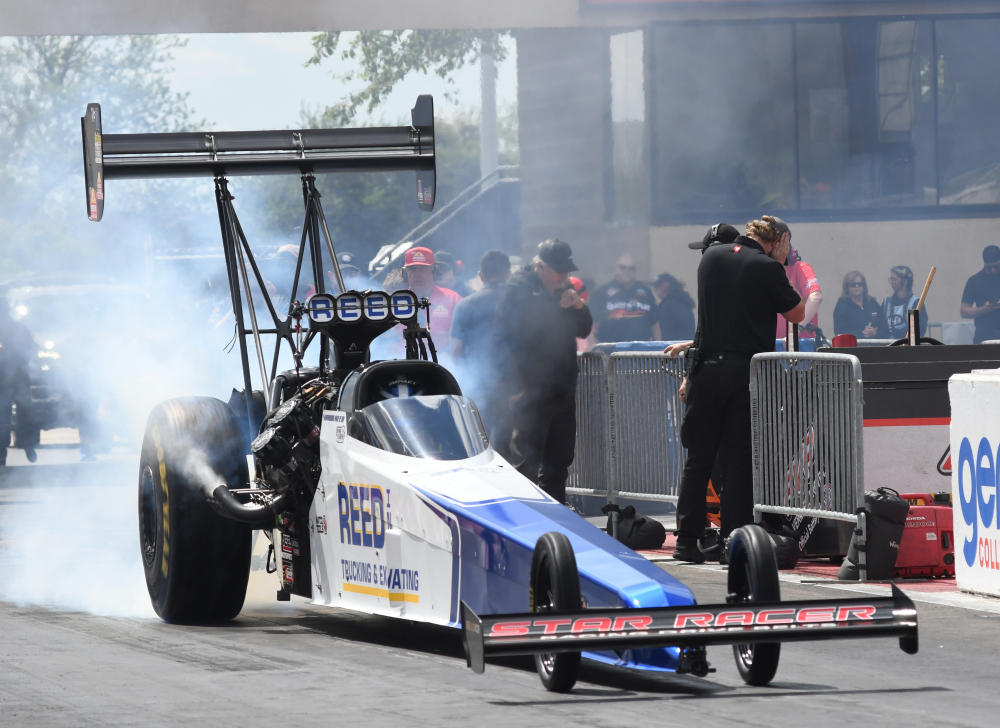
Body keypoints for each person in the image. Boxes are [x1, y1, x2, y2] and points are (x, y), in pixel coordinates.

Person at [668, 216, 805, 563]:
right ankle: (732, 541)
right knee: (738, 459)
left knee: (698, 459)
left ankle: (687, 540)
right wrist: (779, 264)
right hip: (742, 372)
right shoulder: (767, 266)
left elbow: (712, 319)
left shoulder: (711, 258)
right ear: (778, 241)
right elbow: (797, 313)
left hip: (704, 371)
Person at [492, 239, 592, 504]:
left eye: (567, 270)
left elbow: (584, 329)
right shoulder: (518, 290)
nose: (564, 275)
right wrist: (514, 388)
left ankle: (555, 516)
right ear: (540, 266)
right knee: (525, 461)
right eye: (558, 270)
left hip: (562, 390)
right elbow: (501, 341)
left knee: (559, 461)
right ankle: (524, 517)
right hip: (530, 392)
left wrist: (579, 306)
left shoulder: (565, 287)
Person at [451, 250, 512, 451]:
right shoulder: (523, 304)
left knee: (478, 445)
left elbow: (456, 352)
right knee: (509, 447)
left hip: (479, 386)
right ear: (508, 273)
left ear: (481, 275)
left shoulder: (465, 305)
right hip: (515, 386)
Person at [402, 247, 462, 355]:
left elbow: (467, 338)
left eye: (423, 268)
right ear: (405, 273)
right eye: (412, 269)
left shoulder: (453, 299)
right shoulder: (395, 304)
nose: (417, 274)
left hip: (443, 363)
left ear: (435, 271)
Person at [769, 219, 822, 340]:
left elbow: (815, 298)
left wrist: (796, 330)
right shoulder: (767, 272)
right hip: (772, 345)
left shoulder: (800, 267)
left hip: (801, 344)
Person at [0, 298, 38, 465]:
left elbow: (32, 349)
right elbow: (33, 348)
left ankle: (5, 452)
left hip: (10, 379)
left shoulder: (18, 328)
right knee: (23, 412)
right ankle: (27, 444)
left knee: (4, 415)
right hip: (15, 378)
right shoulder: (20, 328)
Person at [589, 254, 660, 343]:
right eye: (623, 268)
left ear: (635, 271)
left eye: (631, 268)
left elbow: (655, 323)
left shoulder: (645, 291)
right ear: (616, 269)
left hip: (641, 349)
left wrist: (658, 346)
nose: (627, 271)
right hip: (612, 349)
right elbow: (590, 322)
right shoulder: (603, 291)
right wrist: (595, 348)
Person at [960, 245, 1000, 344]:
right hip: (984, 335)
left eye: (996, 266)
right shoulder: (974, 281)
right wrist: (984, 309)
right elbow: (964, 311)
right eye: (989, 267)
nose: (993, 270)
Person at [833, 271, 888, 339]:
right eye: (853, 284)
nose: (857, 286)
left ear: (864, 286)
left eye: (859, 284)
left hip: (875, 345)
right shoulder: (841, 306)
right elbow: (839, 333)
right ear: (847, 287)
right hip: (853, 345)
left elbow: (886, 330)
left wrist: (875, 333)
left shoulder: (873, 303)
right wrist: (863, 333)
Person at [882, 265, 928, 340]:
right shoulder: (886, 303)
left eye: (894, 279)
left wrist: (893, 331)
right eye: (891, 279)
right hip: (888, 346)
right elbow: (880, 326)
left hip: (907, 346)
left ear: (905, 281)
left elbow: (916, 330)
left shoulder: (915, 303)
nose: (891, 282)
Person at [653, 273, 696, 341]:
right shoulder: (685, 303)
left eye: (656, 288)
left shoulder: (667, 307)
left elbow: (664, 332)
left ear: (664, 287)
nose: (656, 291)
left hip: (673, 346)